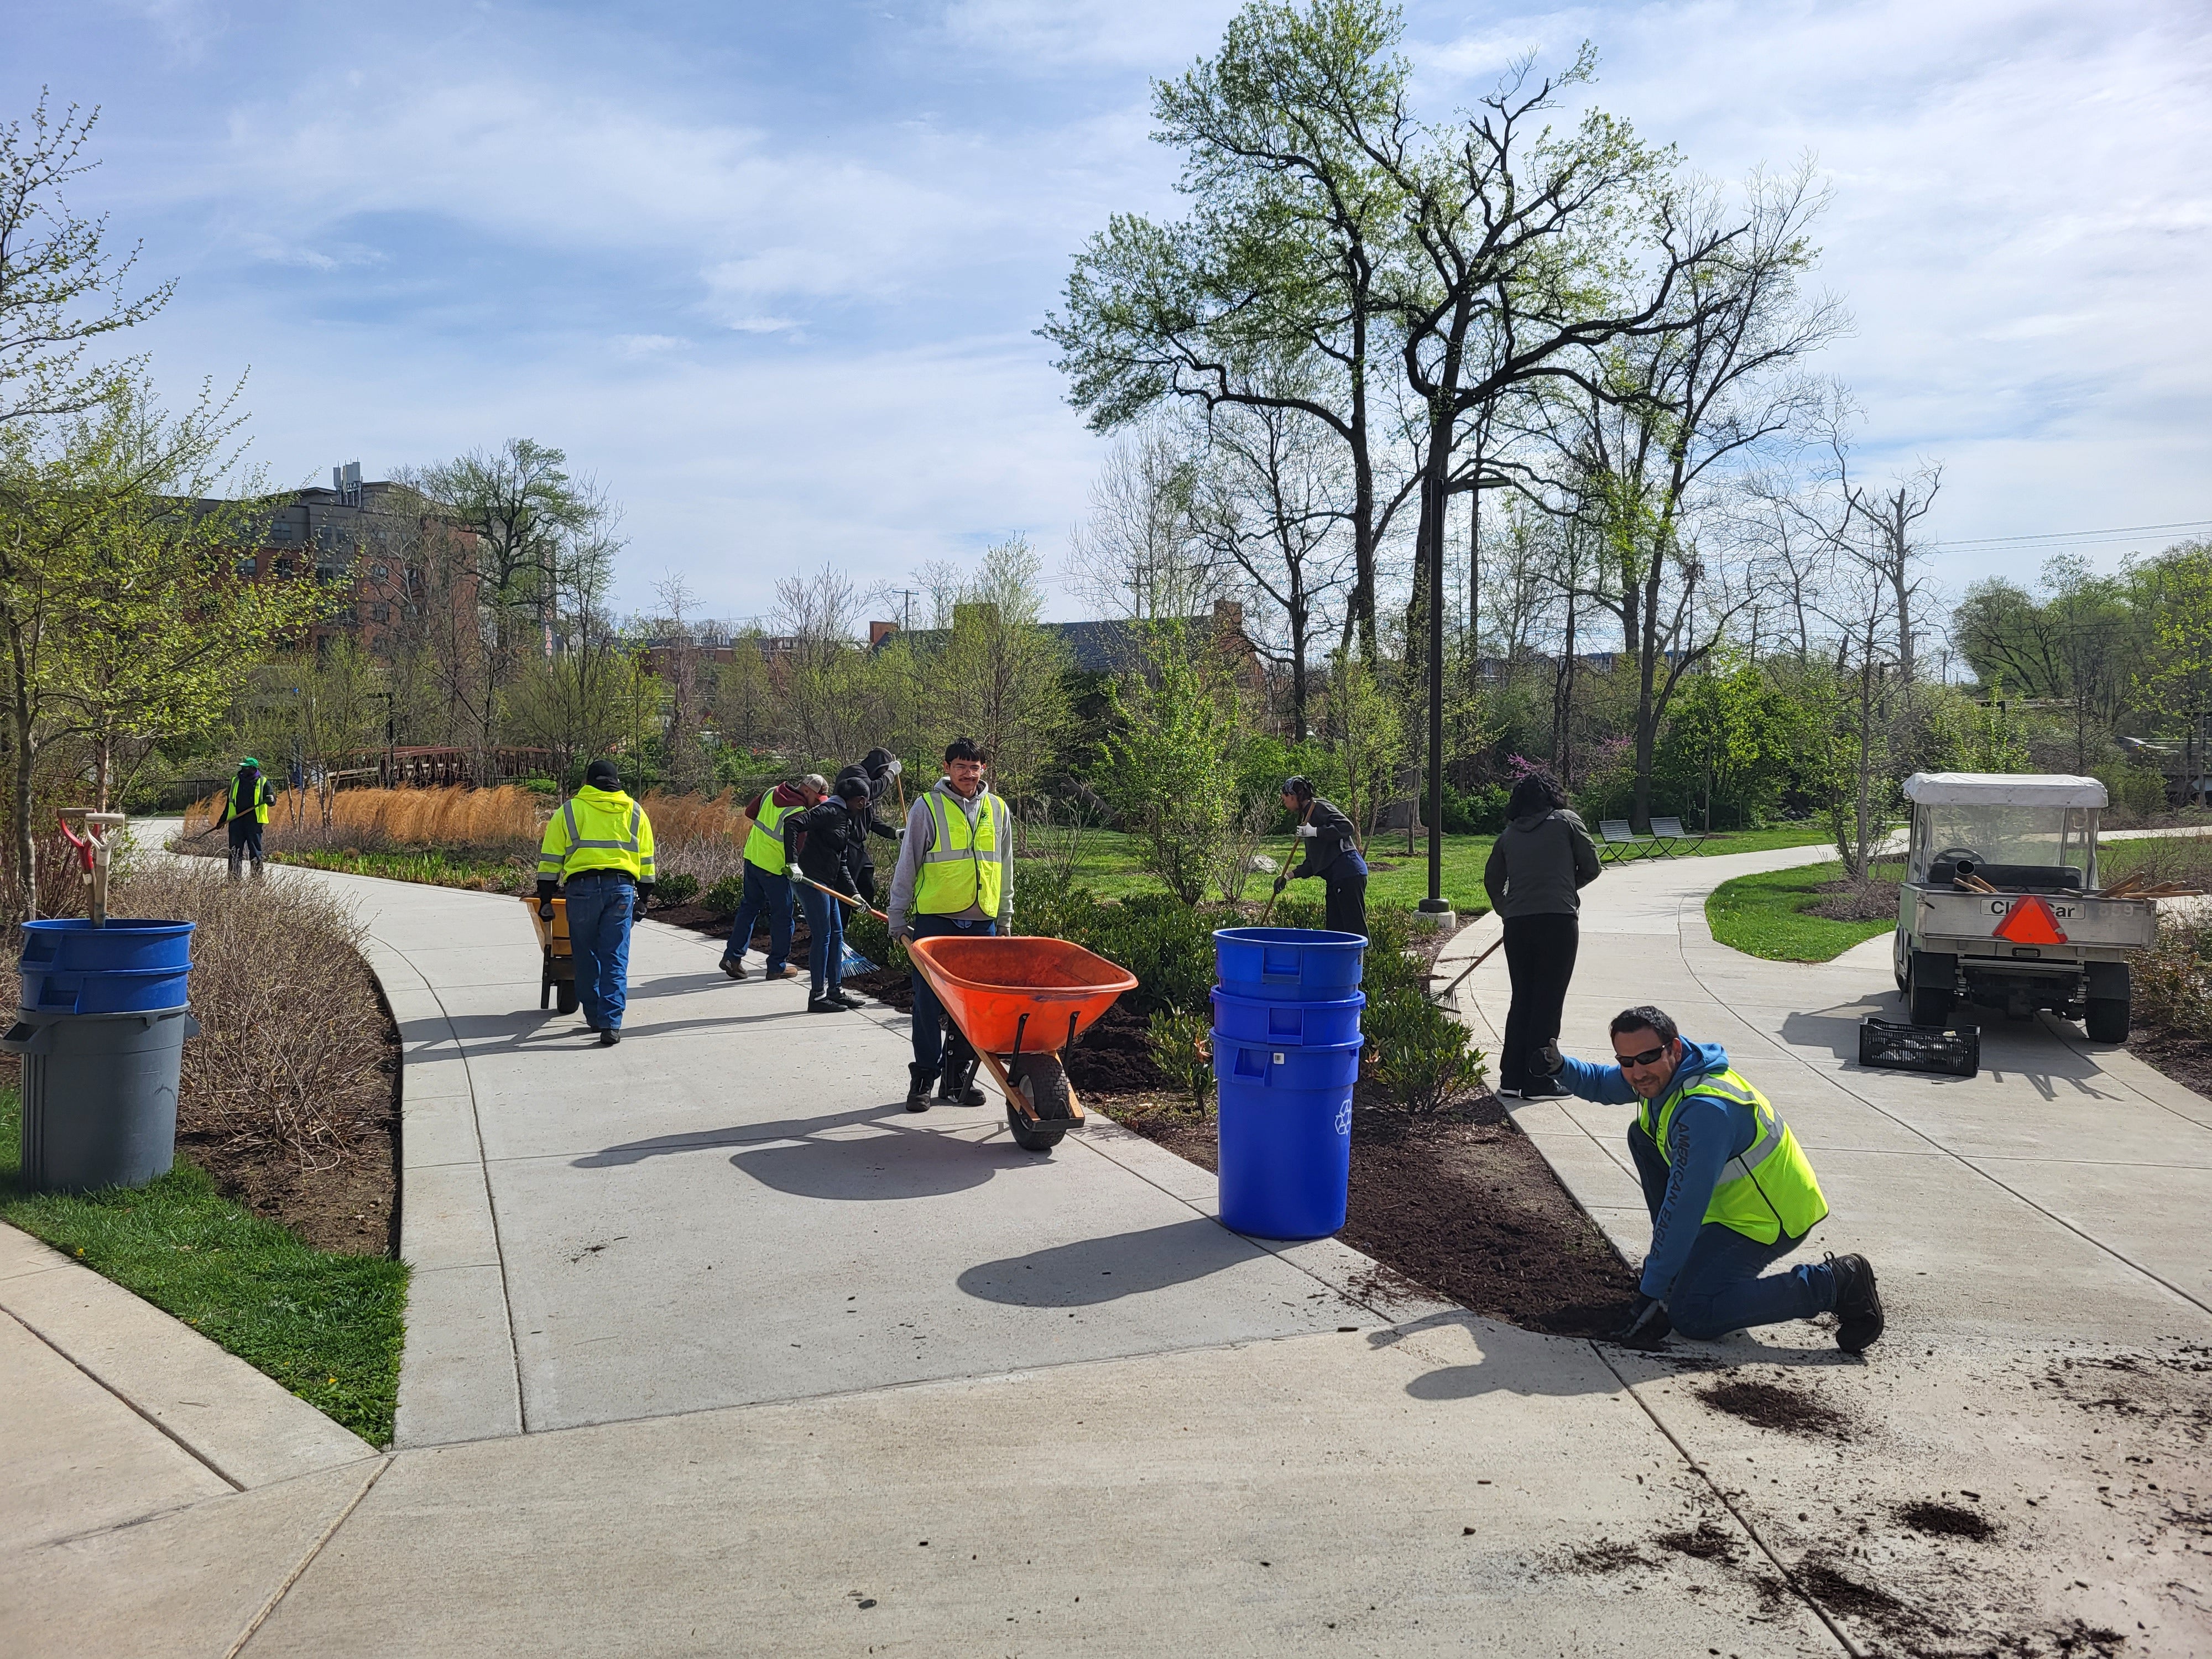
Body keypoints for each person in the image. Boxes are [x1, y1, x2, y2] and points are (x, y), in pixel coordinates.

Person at [1532, 1005, 1884, 1353]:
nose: (1637, 1072)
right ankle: (1678, 1268)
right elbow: (1609, 1082)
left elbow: (1683, 1207)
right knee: (1643, 1137)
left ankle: (1835, 1282)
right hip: (1730, 1208)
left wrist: (1651, 1290)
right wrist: (1563, 1069)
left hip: (1767, 1218)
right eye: (1627, 1061)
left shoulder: (1706, 1112)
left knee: (1693, 1314)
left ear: (1674, 1048)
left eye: (1647, 1057)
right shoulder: (1669, 1074)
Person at [885, 737, 1014, 1110]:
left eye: (975, 767)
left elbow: (1005, 867)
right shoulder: (927, 807)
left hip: (982, 923)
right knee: (927, 1001)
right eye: (961, 766)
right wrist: (898, 915)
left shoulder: (999, 810)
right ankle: (924, 1077)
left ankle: (957, 1078)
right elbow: (908, 863)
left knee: (971, 1006)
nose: (968, 774)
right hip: (936, 921)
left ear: (984, 769)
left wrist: (1004, 916)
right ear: (947, 768)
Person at [1483, 769, 1601, 1100]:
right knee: (1548, 1001)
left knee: (1522, 997)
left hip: (1518, 924)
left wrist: (1507, 907)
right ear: (1553, 795)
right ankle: (1539, 1080)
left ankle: (1511, 1077)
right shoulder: (1567, 822)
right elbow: (1592, 867)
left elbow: (1492, 880)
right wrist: (1563, 888)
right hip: (1558, 921)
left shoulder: (1508, 835)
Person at [536, 759, 656, 1047]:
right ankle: (611, 1023)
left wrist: (545, 899)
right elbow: (647, 861)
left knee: (585, 955)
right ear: (617, 780)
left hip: (582, 891)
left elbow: (551, 859)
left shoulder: (569, 811)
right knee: (615, 956)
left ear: (588, 782)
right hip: (621, 890)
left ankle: (593, 1015)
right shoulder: (636, 812)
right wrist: (645, 898)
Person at [719, 774, 825, 981]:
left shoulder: (771, 792)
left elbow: (750, 813)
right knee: (783, 917)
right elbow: (797, 848)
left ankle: (733, 957)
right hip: (774, 869)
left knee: (749, 908)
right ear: (807, 791)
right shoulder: (798, 812)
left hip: (753, 857)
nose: (815, 805)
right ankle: (777, 966)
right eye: (816, 799)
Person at [784, 776, 872, 1014]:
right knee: (823, 935)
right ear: (858, 801)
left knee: (837, 933)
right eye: (864, 802)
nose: (865, 806)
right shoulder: (829, 811)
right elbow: (792, 825)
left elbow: (841, 863)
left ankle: (835, 991)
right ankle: (818, 996)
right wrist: (792, 863)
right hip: (810, 880)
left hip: (829, 883)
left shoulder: (845, 819)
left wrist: (854, 894)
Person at [1271, 776, 1368, 936]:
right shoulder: (1306, 817)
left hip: (1348, 872)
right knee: (1335, 931)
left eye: (1285, 799)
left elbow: (1347, 827)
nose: (1285, 803)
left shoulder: (1318, 807)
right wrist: (1287, 877)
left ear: (1293, 796)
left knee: (1354, 930)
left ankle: (1363, 959)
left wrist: (1315, 832)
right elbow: (1314, 862)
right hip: (1336, 878)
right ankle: (1339, 961)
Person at [832, 748, 905, 906]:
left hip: (858, 847)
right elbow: (871, 790)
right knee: (845, 894)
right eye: (883, 771)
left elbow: (870, 820)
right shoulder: (854, 772)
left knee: (867, 884)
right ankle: (840, 929)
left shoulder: (866, 788)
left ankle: (861, 923)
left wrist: (895, 833)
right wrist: (890, 775)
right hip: (844, 844)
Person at [213, 757, 277, 880]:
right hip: (236, 822)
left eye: (246, 768)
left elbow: (272, 800)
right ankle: (234, 881)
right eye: (242, 767)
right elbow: (230, 803)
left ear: (253, 769)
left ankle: (257, 881)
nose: (243, 770)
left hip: (254, 823)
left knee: (255, 852)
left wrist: (271, 799)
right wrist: (222, 821)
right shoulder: (236, 781)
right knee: (235, 852)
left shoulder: (263, 782)